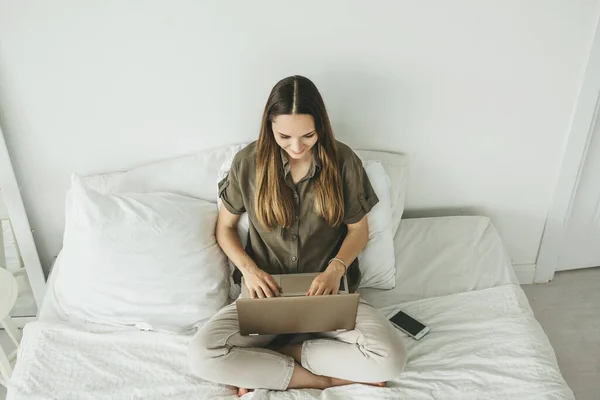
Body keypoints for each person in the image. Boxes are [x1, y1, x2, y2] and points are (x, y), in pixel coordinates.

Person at [188, 75, 406, 396]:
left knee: (391, 358)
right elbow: (225, 228)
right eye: (284, 136)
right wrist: (250, 271)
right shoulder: (247, 163)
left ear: (321, 125)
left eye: (308, 135)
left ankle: (273, 362)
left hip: (328, 300)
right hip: (264, 298)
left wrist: (336, 269)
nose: (297, 147)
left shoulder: (342, 160)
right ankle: (321, 379)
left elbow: (359, 230)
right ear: (269, 127)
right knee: (201, 355)